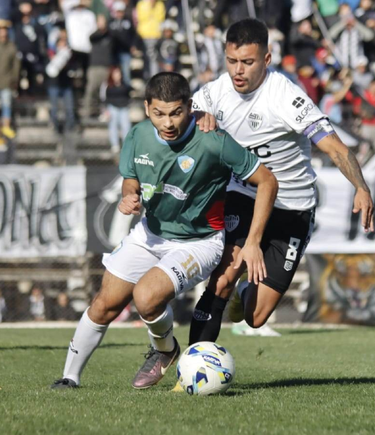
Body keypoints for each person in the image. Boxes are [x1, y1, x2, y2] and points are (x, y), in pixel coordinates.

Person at [50, 72, 278, 390]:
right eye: (159, 113)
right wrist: (129, 195)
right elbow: (131, 177)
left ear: (189, 106)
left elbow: (267, 181)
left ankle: (164, 350)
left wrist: (253, 241)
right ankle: (70, 378)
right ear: (146, 108)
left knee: (146, 298)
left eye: (176, 113)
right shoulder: (137, 136)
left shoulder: (213, 140)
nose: (168, 123)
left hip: (199, 242)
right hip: (150, 234)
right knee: (104, 304)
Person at [186, 18, 373, 364]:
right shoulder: (214, 92)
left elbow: (334, 147)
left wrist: (360, 187)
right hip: (245, 195)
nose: (238, 70)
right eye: (232, 61)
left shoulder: (286, 97)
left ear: (267, 59)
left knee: (256, 317)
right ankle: (192, 364)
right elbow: (180, 114)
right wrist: (197, 116)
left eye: (247, 62)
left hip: (293, 208)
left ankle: (245, 293)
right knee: (223, 277)